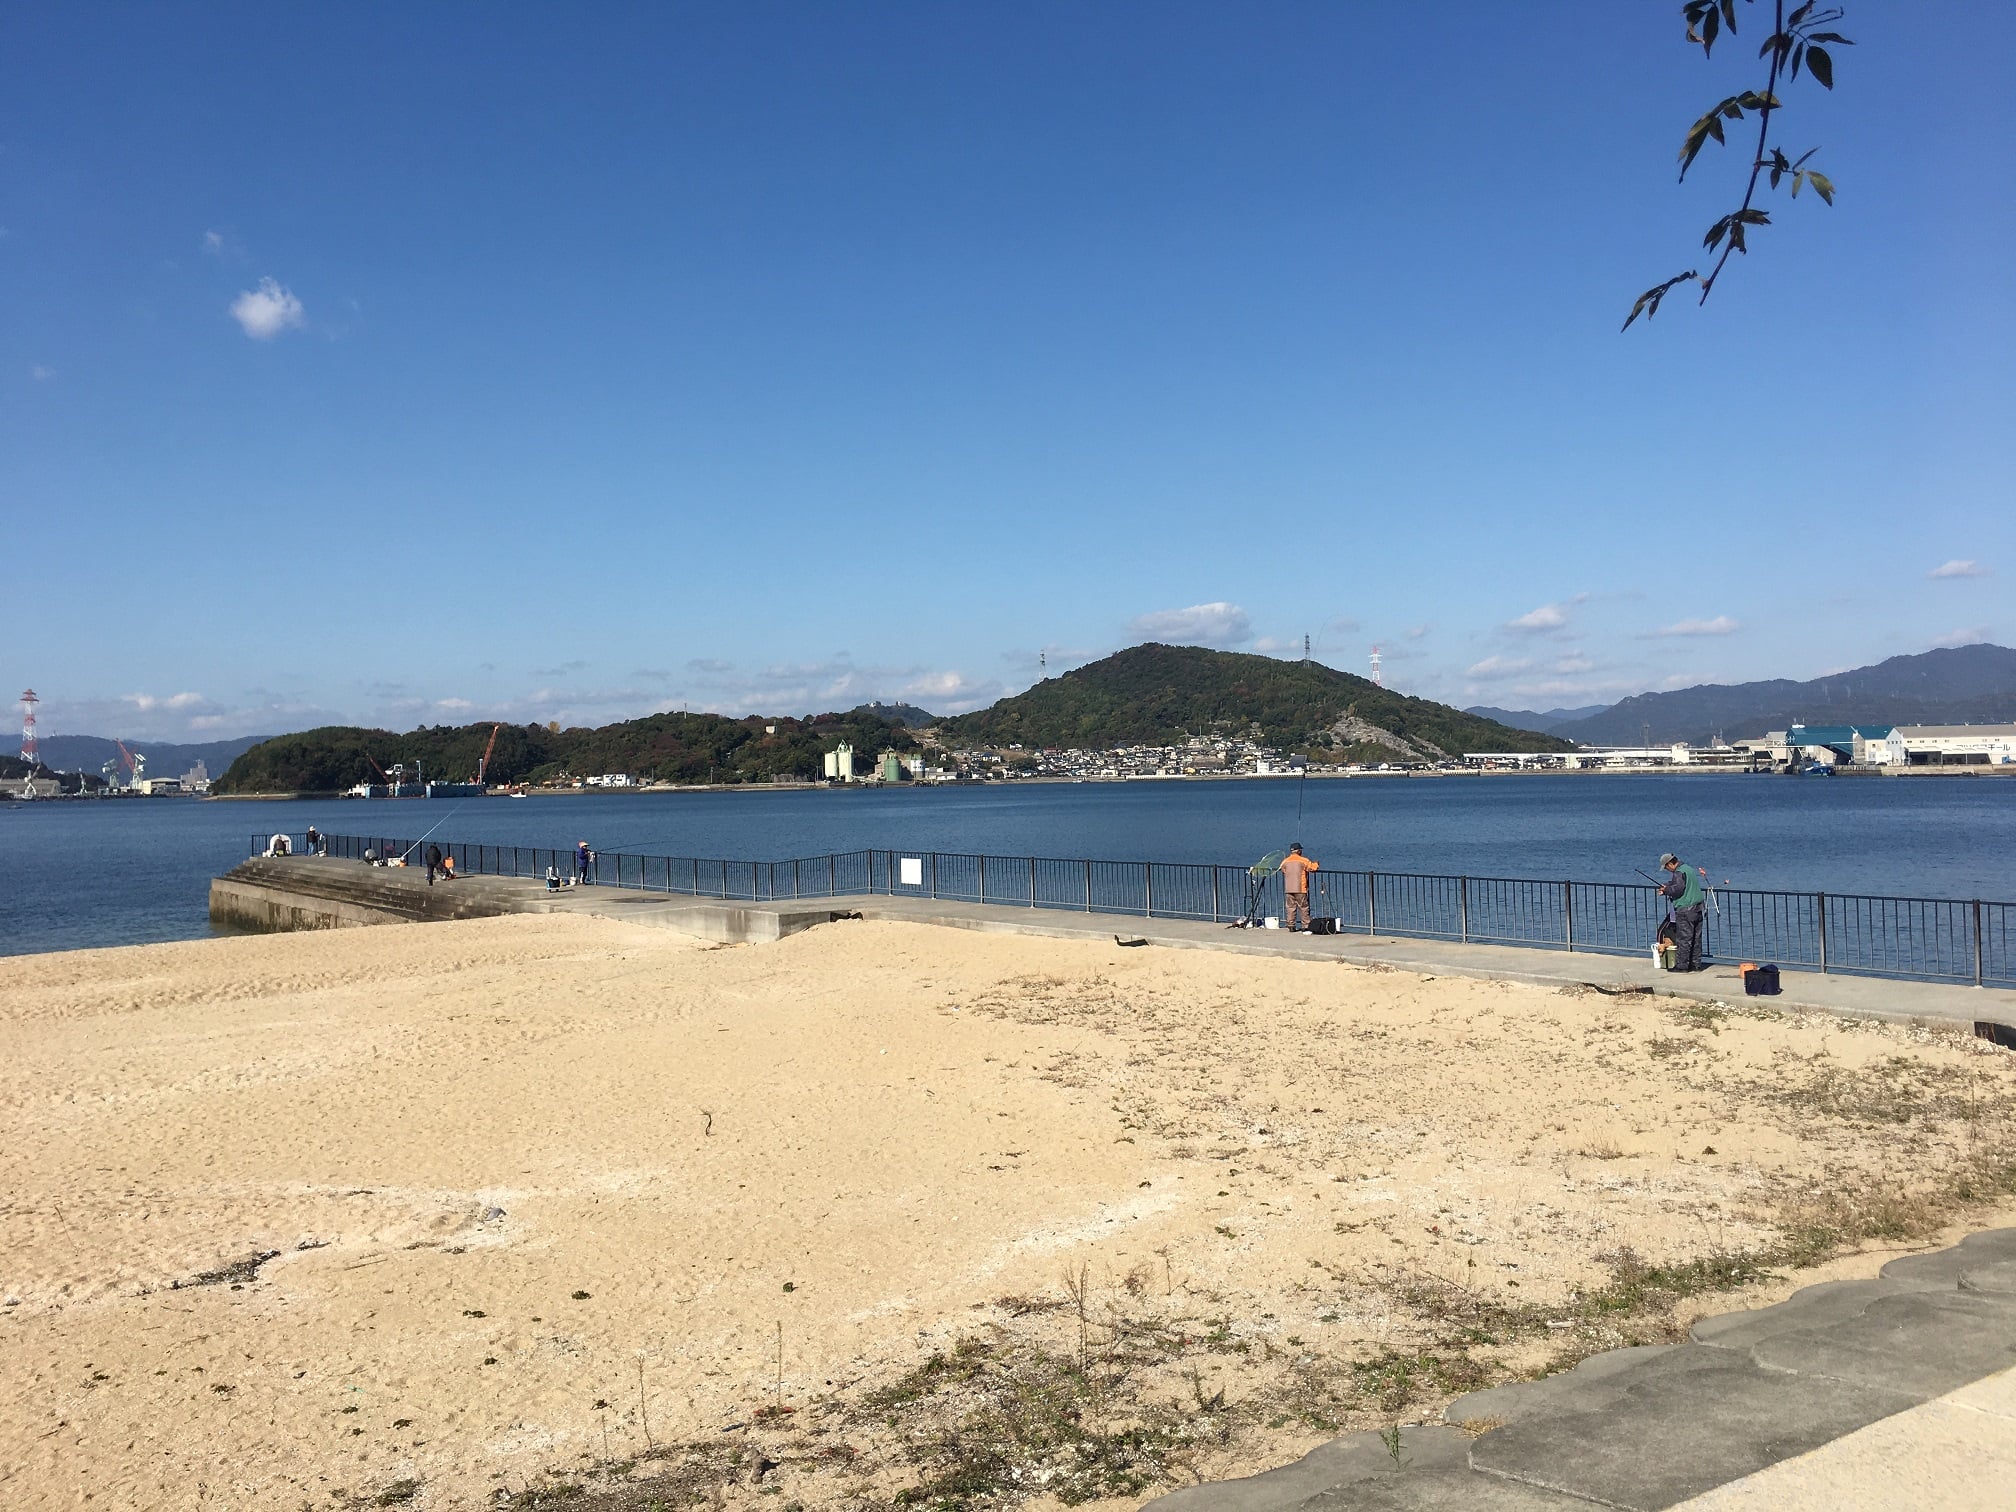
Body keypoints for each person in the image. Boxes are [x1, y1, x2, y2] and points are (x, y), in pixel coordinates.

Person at [1658, 852, 1708, 971]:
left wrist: (1666, 891)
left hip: (1686, 909)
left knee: (1684, 939)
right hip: (1698, 908)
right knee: (1696, 938)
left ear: (1670, 864)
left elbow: (1678, 889)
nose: (1667, 870)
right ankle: (1695, 964)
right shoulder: (1688, 869)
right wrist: (1667, 886)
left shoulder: (1679, 872)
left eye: (1666, 867)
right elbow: (1682, 885)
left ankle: (1682, 966)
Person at [1278, 842, 1319, 932]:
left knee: (1290, 907)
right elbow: (1312, 868)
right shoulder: (1303, 860)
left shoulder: (1285, 861)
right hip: (1300, 888)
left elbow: (1282, 869)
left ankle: (1291, 925)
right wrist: (1316, 863)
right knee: (1303, 907)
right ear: (1299, 851)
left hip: (1289, 888)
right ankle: (1306, 925)